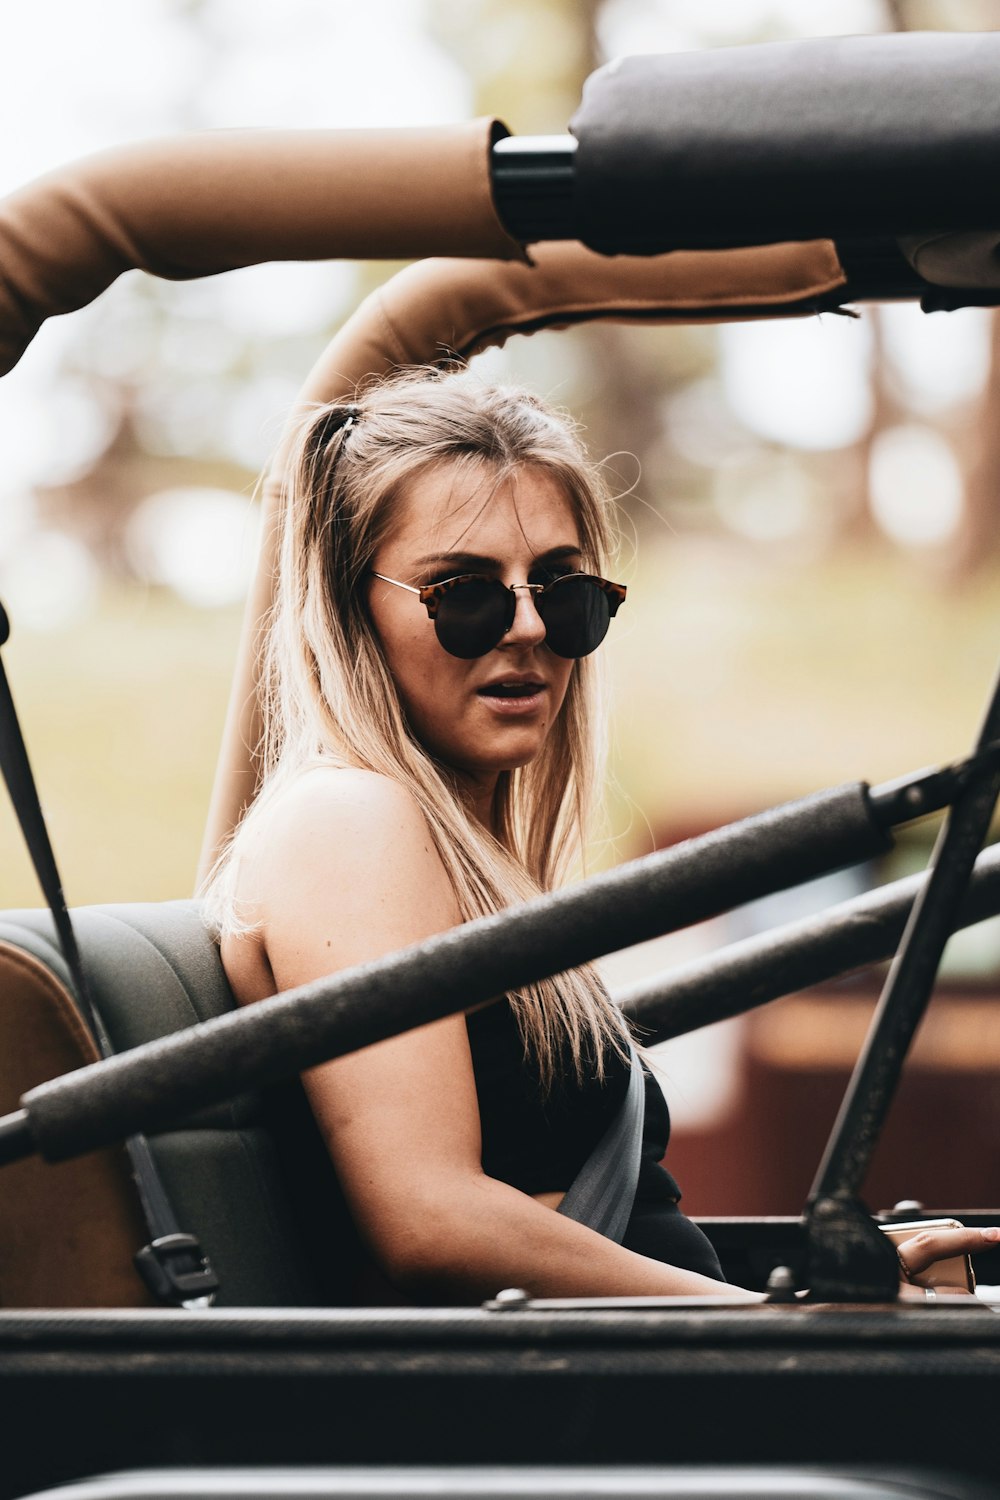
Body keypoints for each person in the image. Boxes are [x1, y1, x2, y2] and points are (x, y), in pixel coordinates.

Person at [204, 367, 996, 1305]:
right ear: (348, 611)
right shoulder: (349, 820)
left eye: (562, 588)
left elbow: (600, 1224)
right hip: (555, 1407)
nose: (530, 626)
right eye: (464, 594)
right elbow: (431, 1219)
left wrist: (811, 1278)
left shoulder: (459, 847)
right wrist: (766, 1323)